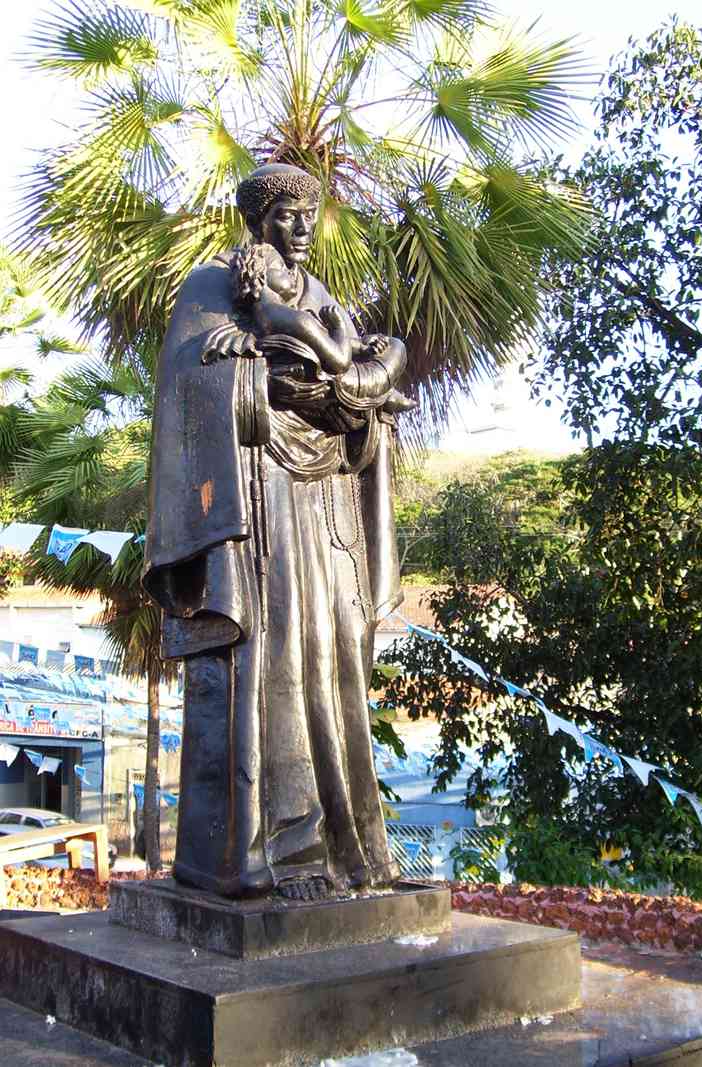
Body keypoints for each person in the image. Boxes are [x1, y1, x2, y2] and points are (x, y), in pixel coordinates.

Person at [143, 163, 412, 900]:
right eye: (286, 214)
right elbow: (188, 381)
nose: (299, 228)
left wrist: (350, 402)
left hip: (320, 499)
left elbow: (360, 390)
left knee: (331, 653)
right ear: (258, 220)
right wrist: (262, 385)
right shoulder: (214, 286)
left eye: (307, 215)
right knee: (270, 654)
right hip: (256, 501)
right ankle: (272, 852)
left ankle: (343, 847)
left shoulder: (323, 299)